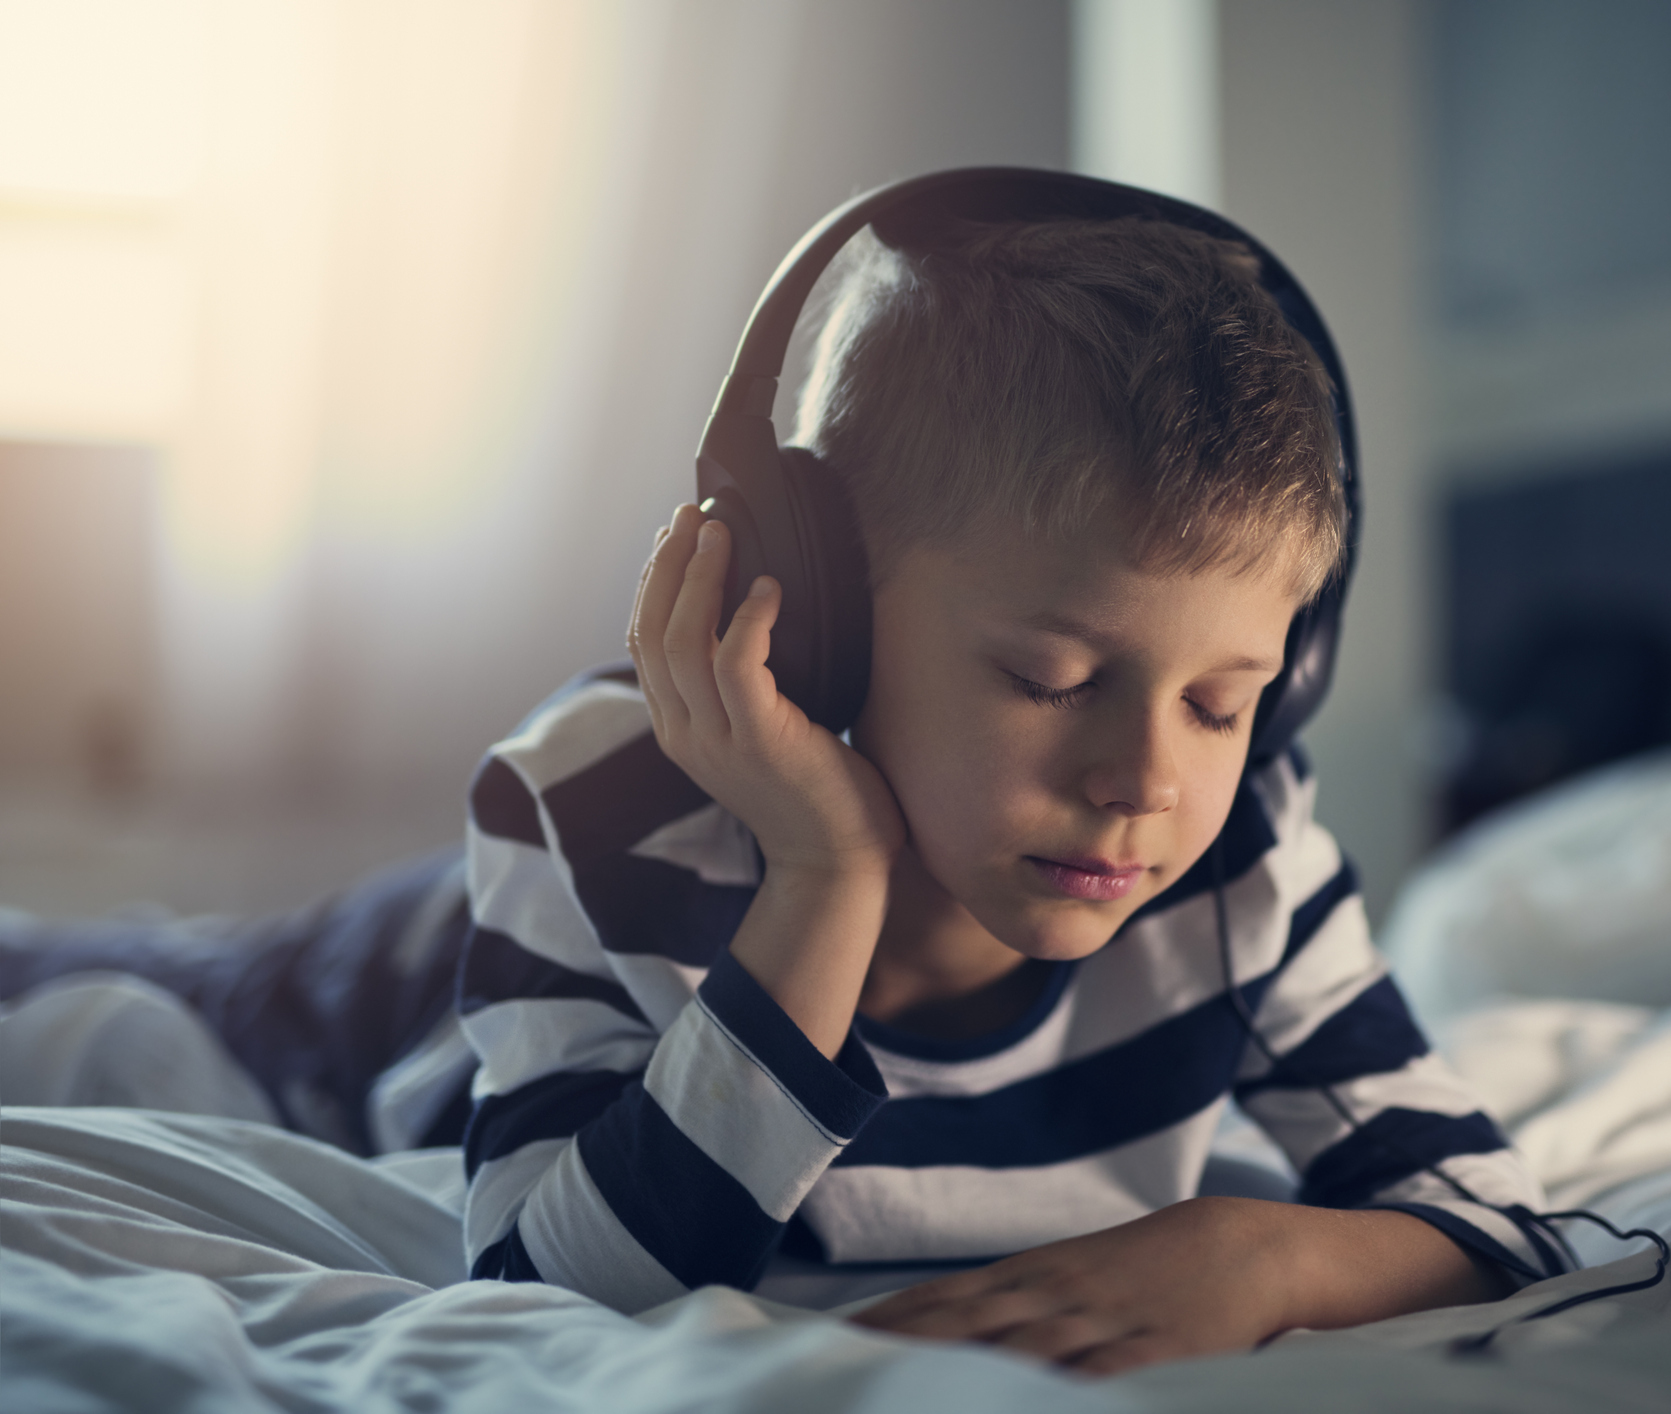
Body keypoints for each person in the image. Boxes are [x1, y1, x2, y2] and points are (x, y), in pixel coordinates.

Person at [453, 210, 1564, 1374]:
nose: (1142, 783)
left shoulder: (1249, 868)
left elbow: (1500, 1225)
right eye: (1053, 679)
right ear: (828, 624)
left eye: (1219, 707)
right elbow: (551, 1301)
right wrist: (828, 872)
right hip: (368, 997)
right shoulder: (593, 816)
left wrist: (1257, 1257)